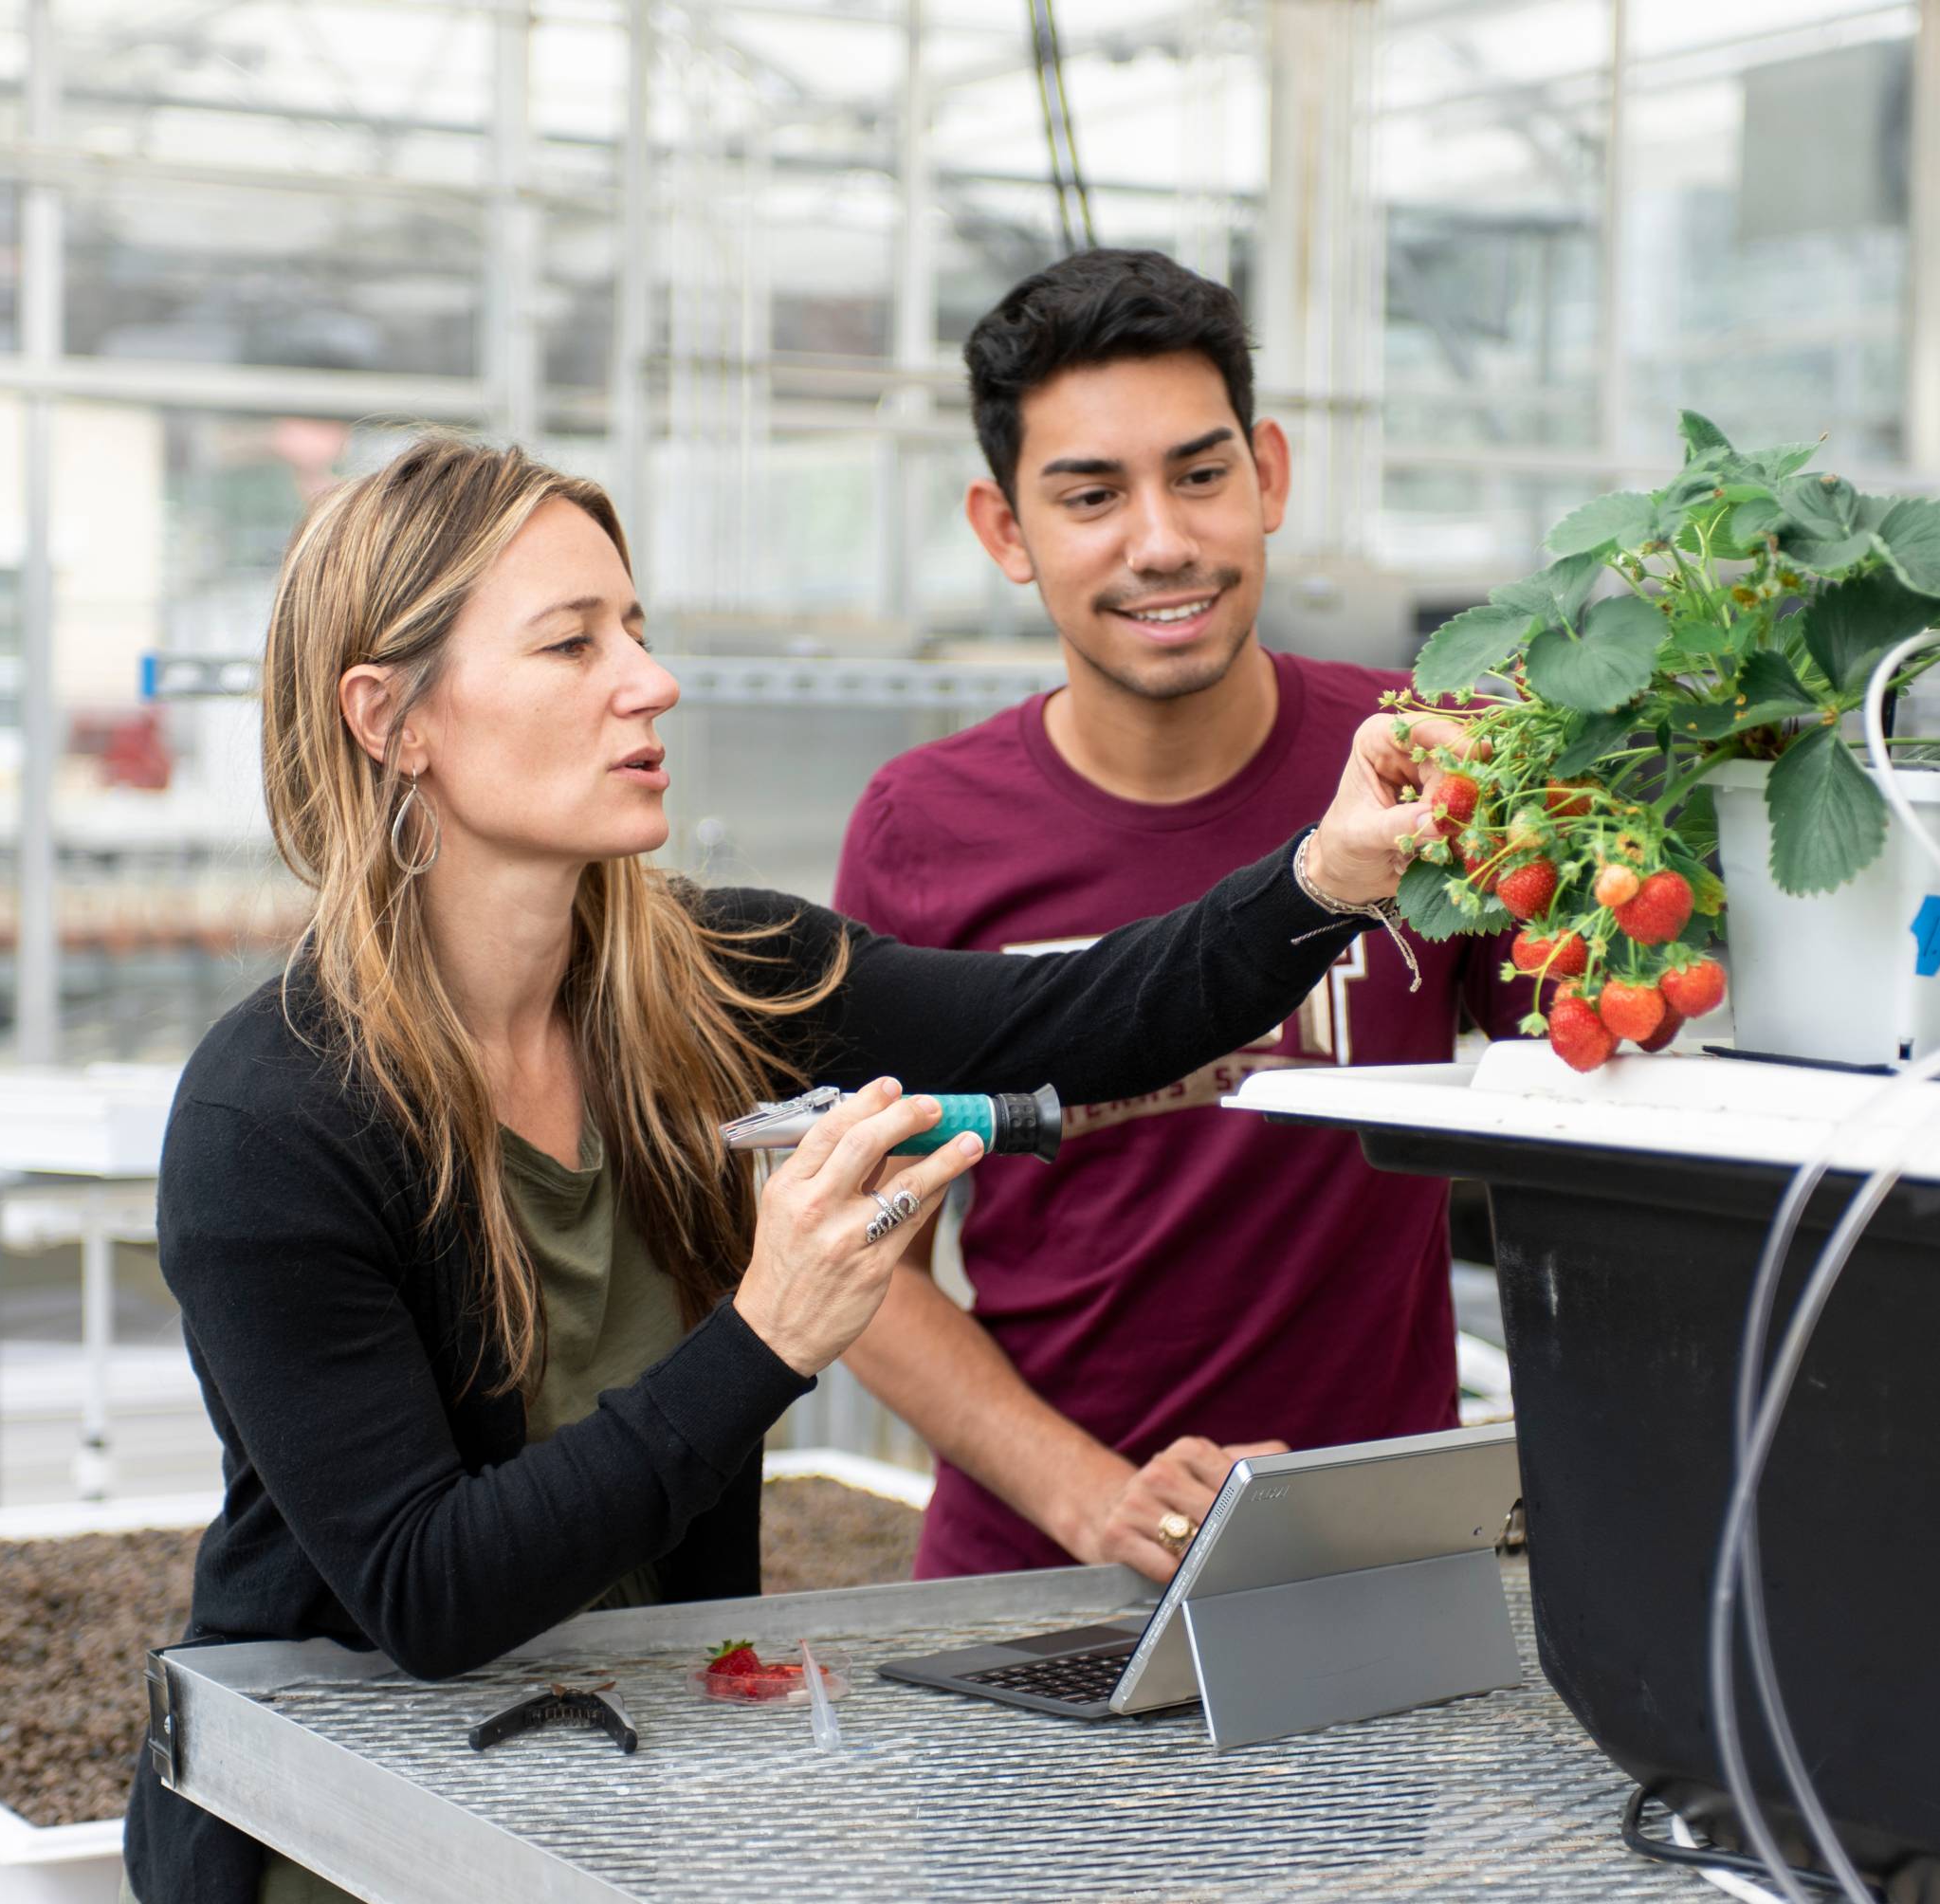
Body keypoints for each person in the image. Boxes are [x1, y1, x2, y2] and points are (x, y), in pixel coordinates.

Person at [120, 434, 1461, 1904]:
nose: (650, 680)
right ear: (391, 718)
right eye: (573, 643)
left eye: (634, 628)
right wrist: (769, 1332)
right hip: (336, 1839)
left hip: (626, 1799)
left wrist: (1326, 873)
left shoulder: (718, 978)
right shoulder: (277, 1118)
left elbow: (1074, 1020)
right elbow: (431, 1594)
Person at [833, 249, 1527, 1585]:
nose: (1162, 540)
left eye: (1200, 475)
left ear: (1268, 476)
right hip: (1031, 1582)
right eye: (1090, 496)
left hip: (1368, 1565)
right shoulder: (922, 831)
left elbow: (1592, 1136)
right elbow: (870, 1256)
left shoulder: (1426, 758)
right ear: (1004, 531)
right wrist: (1095, 1499)